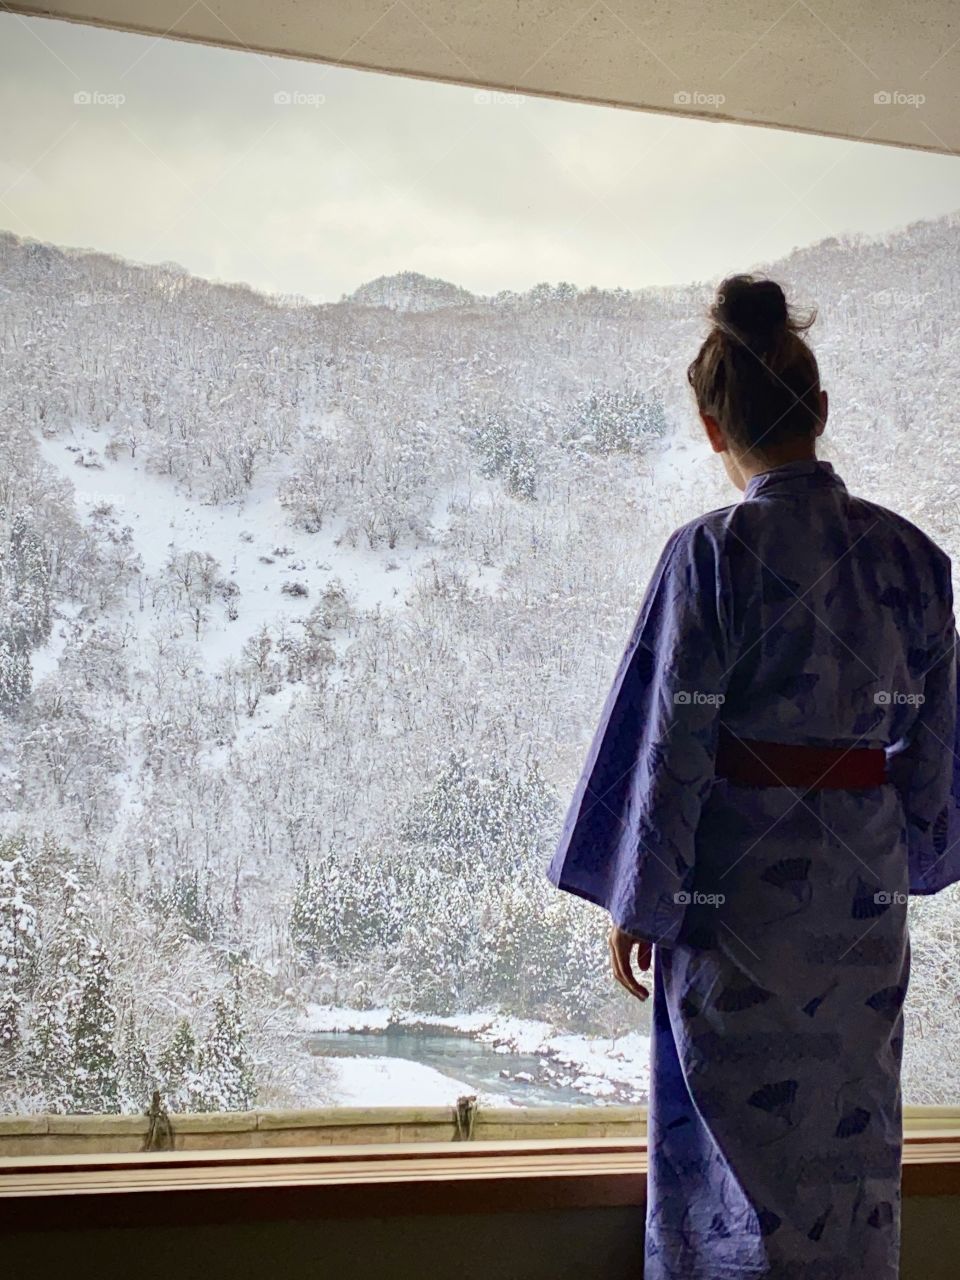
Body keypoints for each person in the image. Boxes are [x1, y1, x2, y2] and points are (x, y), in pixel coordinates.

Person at [546, 274, 960, 1280]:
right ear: (820, 412)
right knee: (849, 1148)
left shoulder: (710, 555)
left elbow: (676, 741)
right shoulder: (912, 559)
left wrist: (644, 901)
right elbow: (937, 760)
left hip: (731, 897)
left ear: (709, 426)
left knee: (730, 1156)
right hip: (858, 907)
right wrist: (892, 847)